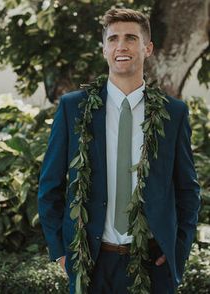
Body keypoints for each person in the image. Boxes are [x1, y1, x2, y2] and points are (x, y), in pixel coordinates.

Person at [38, 8, 200, 294]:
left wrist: (178, 250)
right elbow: (50, 185)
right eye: (113, 39)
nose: (121, 46)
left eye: (130, 38)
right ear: (104, 49)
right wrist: (62, 252)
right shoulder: (73, 108)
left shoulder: (173, 113)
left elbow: (187, 190)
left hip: (153, 264)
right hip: (91, 263)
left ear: (147, 48)